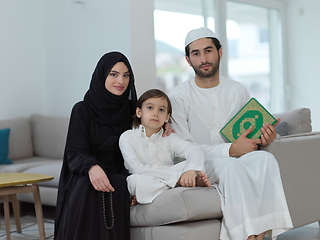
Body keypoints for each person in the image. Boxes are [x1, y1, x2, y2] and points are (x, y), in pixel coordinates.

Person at [169, 27, 293, 240]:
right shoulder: (178, 97)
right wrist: (231, 149)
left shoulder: (237, 90)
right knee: (232, 166)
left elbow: (250, 131)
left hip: (235, 158)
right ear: (188, 60)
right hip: (198, 162)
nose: (203, 58)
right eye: (196, 54)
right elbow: (183, 150)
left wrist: (267, 137)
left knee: (266, 160)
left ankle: (259, 235)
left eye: (208, 51)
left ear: (220, 52)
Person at [54, 51, 137, 240]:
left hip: (119, 177)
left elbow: (153, 119)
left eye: (126, 75)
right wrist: (92, 167)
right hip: (87, 175)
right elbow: (74, 153)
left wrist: (166, 127)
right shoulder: (82, 110)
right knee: (88, 185)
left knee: (118, 183)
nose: (121, 81)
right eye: (113, 74)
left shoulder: (133, 110)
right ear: (101, 76)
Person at [119, 89, 211, 205]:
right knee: (134, 180)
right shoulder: (127, 137)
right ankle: (183, 183)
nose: (155, 113)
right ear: (139, 112)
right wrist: (177, 177)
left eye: (161, 110)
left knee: (200, 163)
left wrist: (190, 170)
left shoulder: (169, 137)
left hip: (159, 180)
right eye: (150, 108)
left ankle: (147, 194)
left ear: (167, 117)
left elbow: (195, 150)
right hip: (144, 178)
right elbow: (137, 169)